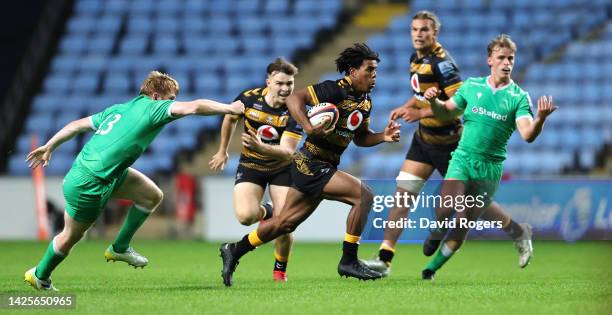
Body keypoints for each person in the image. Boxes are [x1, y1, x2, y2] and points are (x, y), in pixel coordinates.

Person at [24, 71, 244, 291]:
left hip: (104, 172)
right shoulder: (153, 107)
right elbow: (195, 106)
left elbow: (76, 125)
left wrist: (50, 145)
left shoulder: (117, 110)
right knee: (70, 237)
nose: (173, 103)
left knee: (151, 196)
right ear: (156, 96)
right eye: (171, 98)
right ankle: (40, 275)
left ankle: (119, 247)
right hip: (89, 182)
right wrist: (229, 108)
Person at [363, 11, 533, 276]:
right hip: (423, 140)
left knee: (472, 205)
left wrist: (419, 112)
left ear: (435, 34)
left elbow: (453, 107)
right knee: (403, 194)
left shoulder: (444, 65)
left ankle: (515, 230)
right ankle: (385, 259)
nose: (418, 35)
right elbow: (421, 94)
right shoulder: (415, 59)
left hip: (449, 143)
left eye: (424, 30)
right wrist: (408, 105)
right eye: (414, 30)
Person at [219, 43, 401, 287]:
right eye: (369, 70)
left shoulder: (365, 100)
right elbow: (296, 98)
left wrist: (383, 137)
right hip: (311, 162)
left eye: (376, 71)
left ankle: (234, 250)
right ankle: (349, 260)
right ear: (352, 71)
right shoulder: (334, 90)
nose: (374, 75)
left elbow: (361, 137)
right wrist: (307, 126)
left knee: (285, 223)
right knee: (364, 196)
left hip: (324, 164)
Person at [420, 34, 556, 280]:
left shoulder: (518, 97)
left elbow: (527, 134)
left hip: (490, 168)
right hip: (462, 158)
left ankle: (431, 269)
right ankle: (438, 230)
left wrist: (540, 119)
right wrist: (437, 101)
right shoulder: (472, 86)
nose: (507, 62)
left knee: (463, 224)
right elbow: (446, 112)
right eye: (501, 57)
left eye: (511, 58)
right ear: (489, 60)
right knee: (446, 208)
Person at [209, 58, 303, 282]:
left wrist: (260, 146)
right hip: (251, 165)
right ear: (268, 82)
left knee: (286, 223)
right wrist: (223, 150)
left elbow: (288, 152)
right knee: (246, 217)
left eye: (289, 83)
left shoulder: (295, 109)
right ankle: (268, 212)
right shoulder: (248, 98)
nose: (285, 88)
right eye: (280, 83)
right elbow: (230, 118)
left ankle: (280, 270)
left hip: (282, 168)